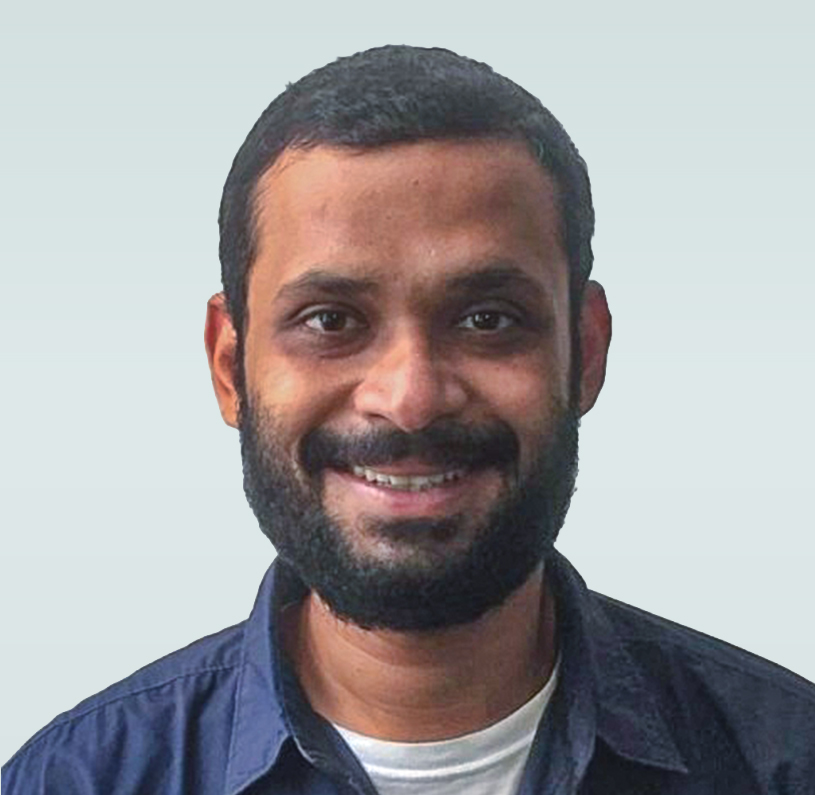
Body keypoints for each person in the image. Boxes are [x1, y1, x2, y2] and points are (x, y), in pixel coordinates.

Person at [3, 44, 814, 795]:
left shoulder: (782, 761)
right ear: (229, 366)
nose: (410, 398)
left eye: (487, 319)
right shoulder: (78, 780)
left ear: (586, 352)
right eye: (329, 320)